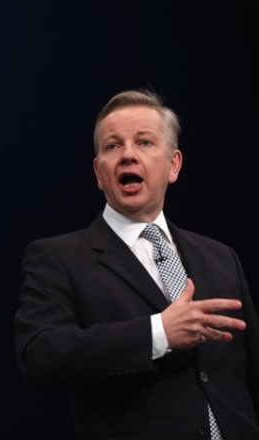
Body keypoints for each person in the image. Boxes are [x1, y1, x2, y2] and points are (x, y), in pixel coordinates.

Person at [14, 89, 259, 440]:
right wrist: (158, 333)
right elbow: (40, 358)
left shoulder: (221, 257)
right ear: (99, 173)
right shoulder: (58, 258)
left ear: (173, 165)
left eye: (144, 142)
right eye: (113, 146)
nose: (128, 154)